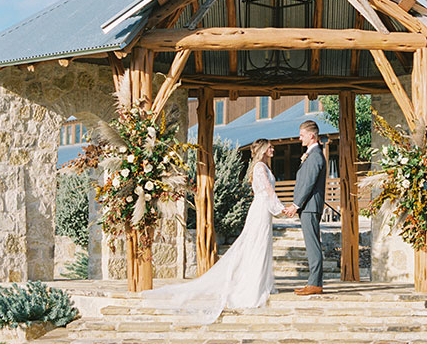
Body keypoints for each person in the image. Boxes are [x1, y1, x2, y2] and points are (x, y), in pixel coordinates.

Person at [139, 139, 285, 324]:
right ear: (263, 149)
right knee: (256, 246)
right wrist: (281, 209)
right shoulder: (259, 168)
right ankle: (251, 287)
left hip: (263, 210)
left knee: (261, 246)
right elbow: (268, 192)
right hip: (261, 209)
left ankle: (260, 282)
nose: (273, 149)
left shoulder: (263, 166)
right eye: (270, 147)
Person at [282, 120, 327, 295]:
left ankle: (315, 283)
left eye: (302, 135)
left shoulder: (315, 156)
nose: (300, 138)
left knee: (313, 244)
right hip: (307, 207)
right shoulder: (312, 154)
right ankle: (313, 281)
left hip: (309, 207)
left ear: (311, 135)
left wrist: (296, 205)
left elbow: (308, 183)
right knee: (311, 244)